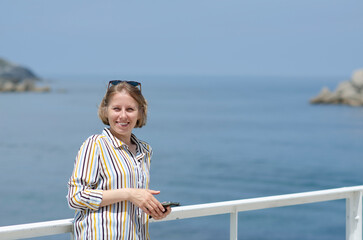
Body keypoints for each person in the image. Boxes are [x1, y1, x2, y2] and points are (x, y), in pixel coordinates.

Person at [67, 80, 170, 240]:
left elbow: (128, 206)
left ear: (140, 112)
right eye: (116, 108)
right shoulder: (95, 144)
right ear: (105, 110)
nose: (123, 115)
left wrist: (153, 210)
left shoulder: (145, 150)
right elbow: (76, 197)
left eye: (130, 109)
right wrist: (128, 193)